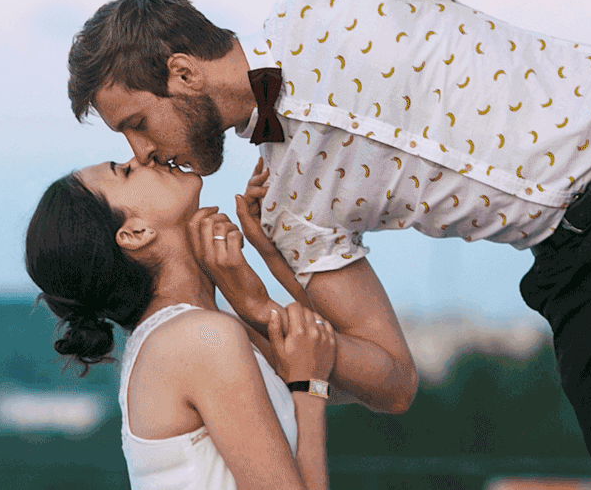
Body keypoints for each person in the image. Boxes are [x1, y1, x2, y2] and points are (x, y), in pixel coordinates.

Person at [60, 0, 591, 488]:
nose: (142, 152)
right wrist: (256, 303)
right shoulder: (283, 206)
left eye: (135, 124)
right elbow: (391, 377)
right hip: (568, 259)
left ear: (182, 72)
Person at [25, 158, 416, 489]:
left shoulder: (197, 332)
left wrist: (270, 253)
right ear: (135, 233)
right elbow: (318, 375)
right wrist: (307, 390)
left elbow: (365, 379)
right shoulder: (197, 340)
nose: (143, 156)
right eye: (124, 171)